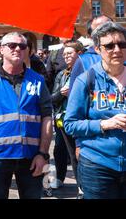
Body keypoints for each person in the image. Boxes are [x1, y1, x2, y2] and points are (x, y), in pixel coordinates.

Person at [0, 32, 53, 199]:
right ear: (1, 49)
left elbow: (47, 118)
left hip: (31, 156)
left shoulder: (38, 80)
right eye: (12, 45)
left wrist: (43, 154)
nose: (18, 49)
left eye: (22, 46)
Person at [64, 22, 126, 199]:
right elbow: (70, 124)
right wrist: (105, 124)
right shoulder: (86, 80)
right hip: (98, 165)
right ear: (98, 50)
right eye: (109, 46)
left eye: (122, 44)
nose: (117, 50)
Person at [50, 41, 83, 189]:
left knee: (76, 153)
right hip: (62, 119)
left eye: (69, 53)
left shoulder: (86, 72)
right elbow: (52, 98)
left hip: (79, 119)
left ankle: (81, 186)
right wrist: (62, 94)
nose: (66, 56)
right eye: (64, 54)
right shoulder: (61, 75)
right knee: (59, 150)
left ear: (79, 54)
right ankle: (59, 178)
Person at [69, 14, 112, 91]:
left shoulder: (123, 55)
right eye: (101, 29)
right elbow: (75, 99)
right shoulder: (83, 61)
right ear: (90, 36)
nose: (107, 31)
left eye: (110, 26)